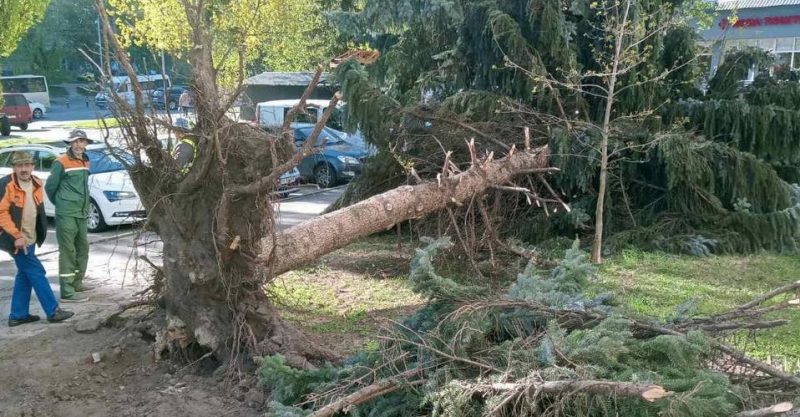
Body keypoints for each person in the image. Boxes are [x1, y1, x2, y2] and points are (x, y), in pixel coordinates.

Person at [1, 151, 74, 326]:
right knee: (37, 272)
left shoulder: (36, 183)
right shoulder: (6, 185)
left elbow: (36, 210)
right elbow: (1, 213)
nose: (24, 169)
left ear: (33, 166)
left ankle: (18, 315)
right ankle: (53, 310)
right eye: (20, 166)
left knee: (24, 275)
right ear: (14, 168)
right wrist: (16, 236)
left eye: (27, 165)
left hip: (30, 238)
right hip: (16, 240)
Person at [45, 129, 94, 303]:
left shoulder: (86, 161)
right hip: (66, 213)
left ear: (86, 144)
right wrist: (62, 203)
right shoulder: (61, 162)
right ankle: (66, 292)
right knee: (68, 251)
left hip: (81, 212)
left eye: (82, 141)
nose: (79, 144)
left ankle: (77, 283)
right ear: (70, 143)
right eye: (75, 141)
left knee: (83, 249)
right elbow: (50, 188)